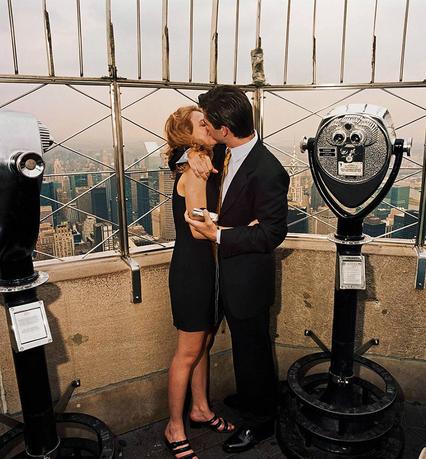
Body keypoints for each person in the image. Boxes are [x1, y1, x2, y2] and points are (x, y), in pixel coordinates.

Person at [183, 85, 290, 453]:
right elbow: (177, 153)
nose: (206, 133)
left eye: (209, 126)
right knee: (246, 350)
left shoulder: (268, 169)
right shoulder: (225, 153)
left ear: (224, 129)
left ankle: (260, 423)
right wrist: (190, 152)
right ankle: (253, 397)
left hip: (247, 279)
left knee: (252, 351)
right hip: (224, 275)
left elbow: (273, 232)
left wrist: (220, 235)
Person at [163, 106, 236, 459]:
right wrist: (239, 233)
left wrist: (194, 152)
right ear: (186, 135)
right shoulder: (193, 173)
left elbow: (227, 141)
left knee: (203, 344)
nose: (208, 125)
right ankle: (174, 426)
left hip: (207, 269)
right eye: (201, 123)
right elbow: (198, 226)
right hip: (193, 272)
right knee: (188, 352)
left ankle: (201, 409)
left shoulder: (201, 160)